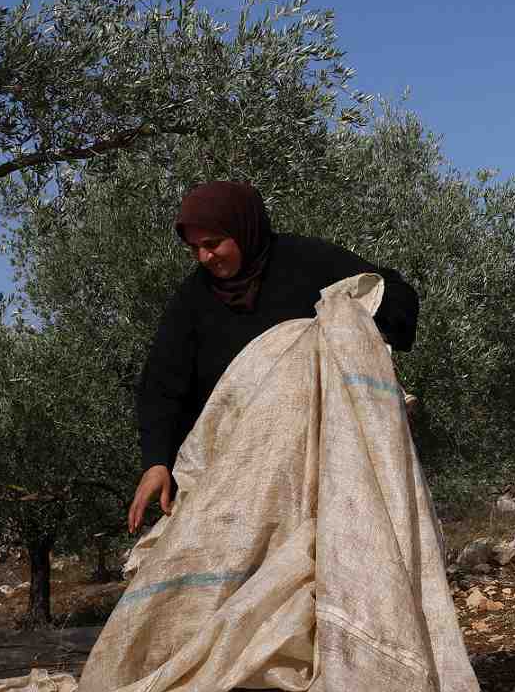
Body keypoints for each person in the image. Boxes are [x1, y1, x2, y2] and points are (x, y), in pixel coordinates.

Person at [126, 181, 419, 534]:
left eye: (212, 244)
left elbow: (391, 294)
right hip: (239, 465)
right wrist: (156, 462)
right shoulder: (192, 300)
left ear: (243, 230)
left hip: (321, 456)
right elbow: (161, 386)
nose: (205, 257)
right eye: (195, 249)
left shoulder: (307, 261)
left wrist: (360, 329)